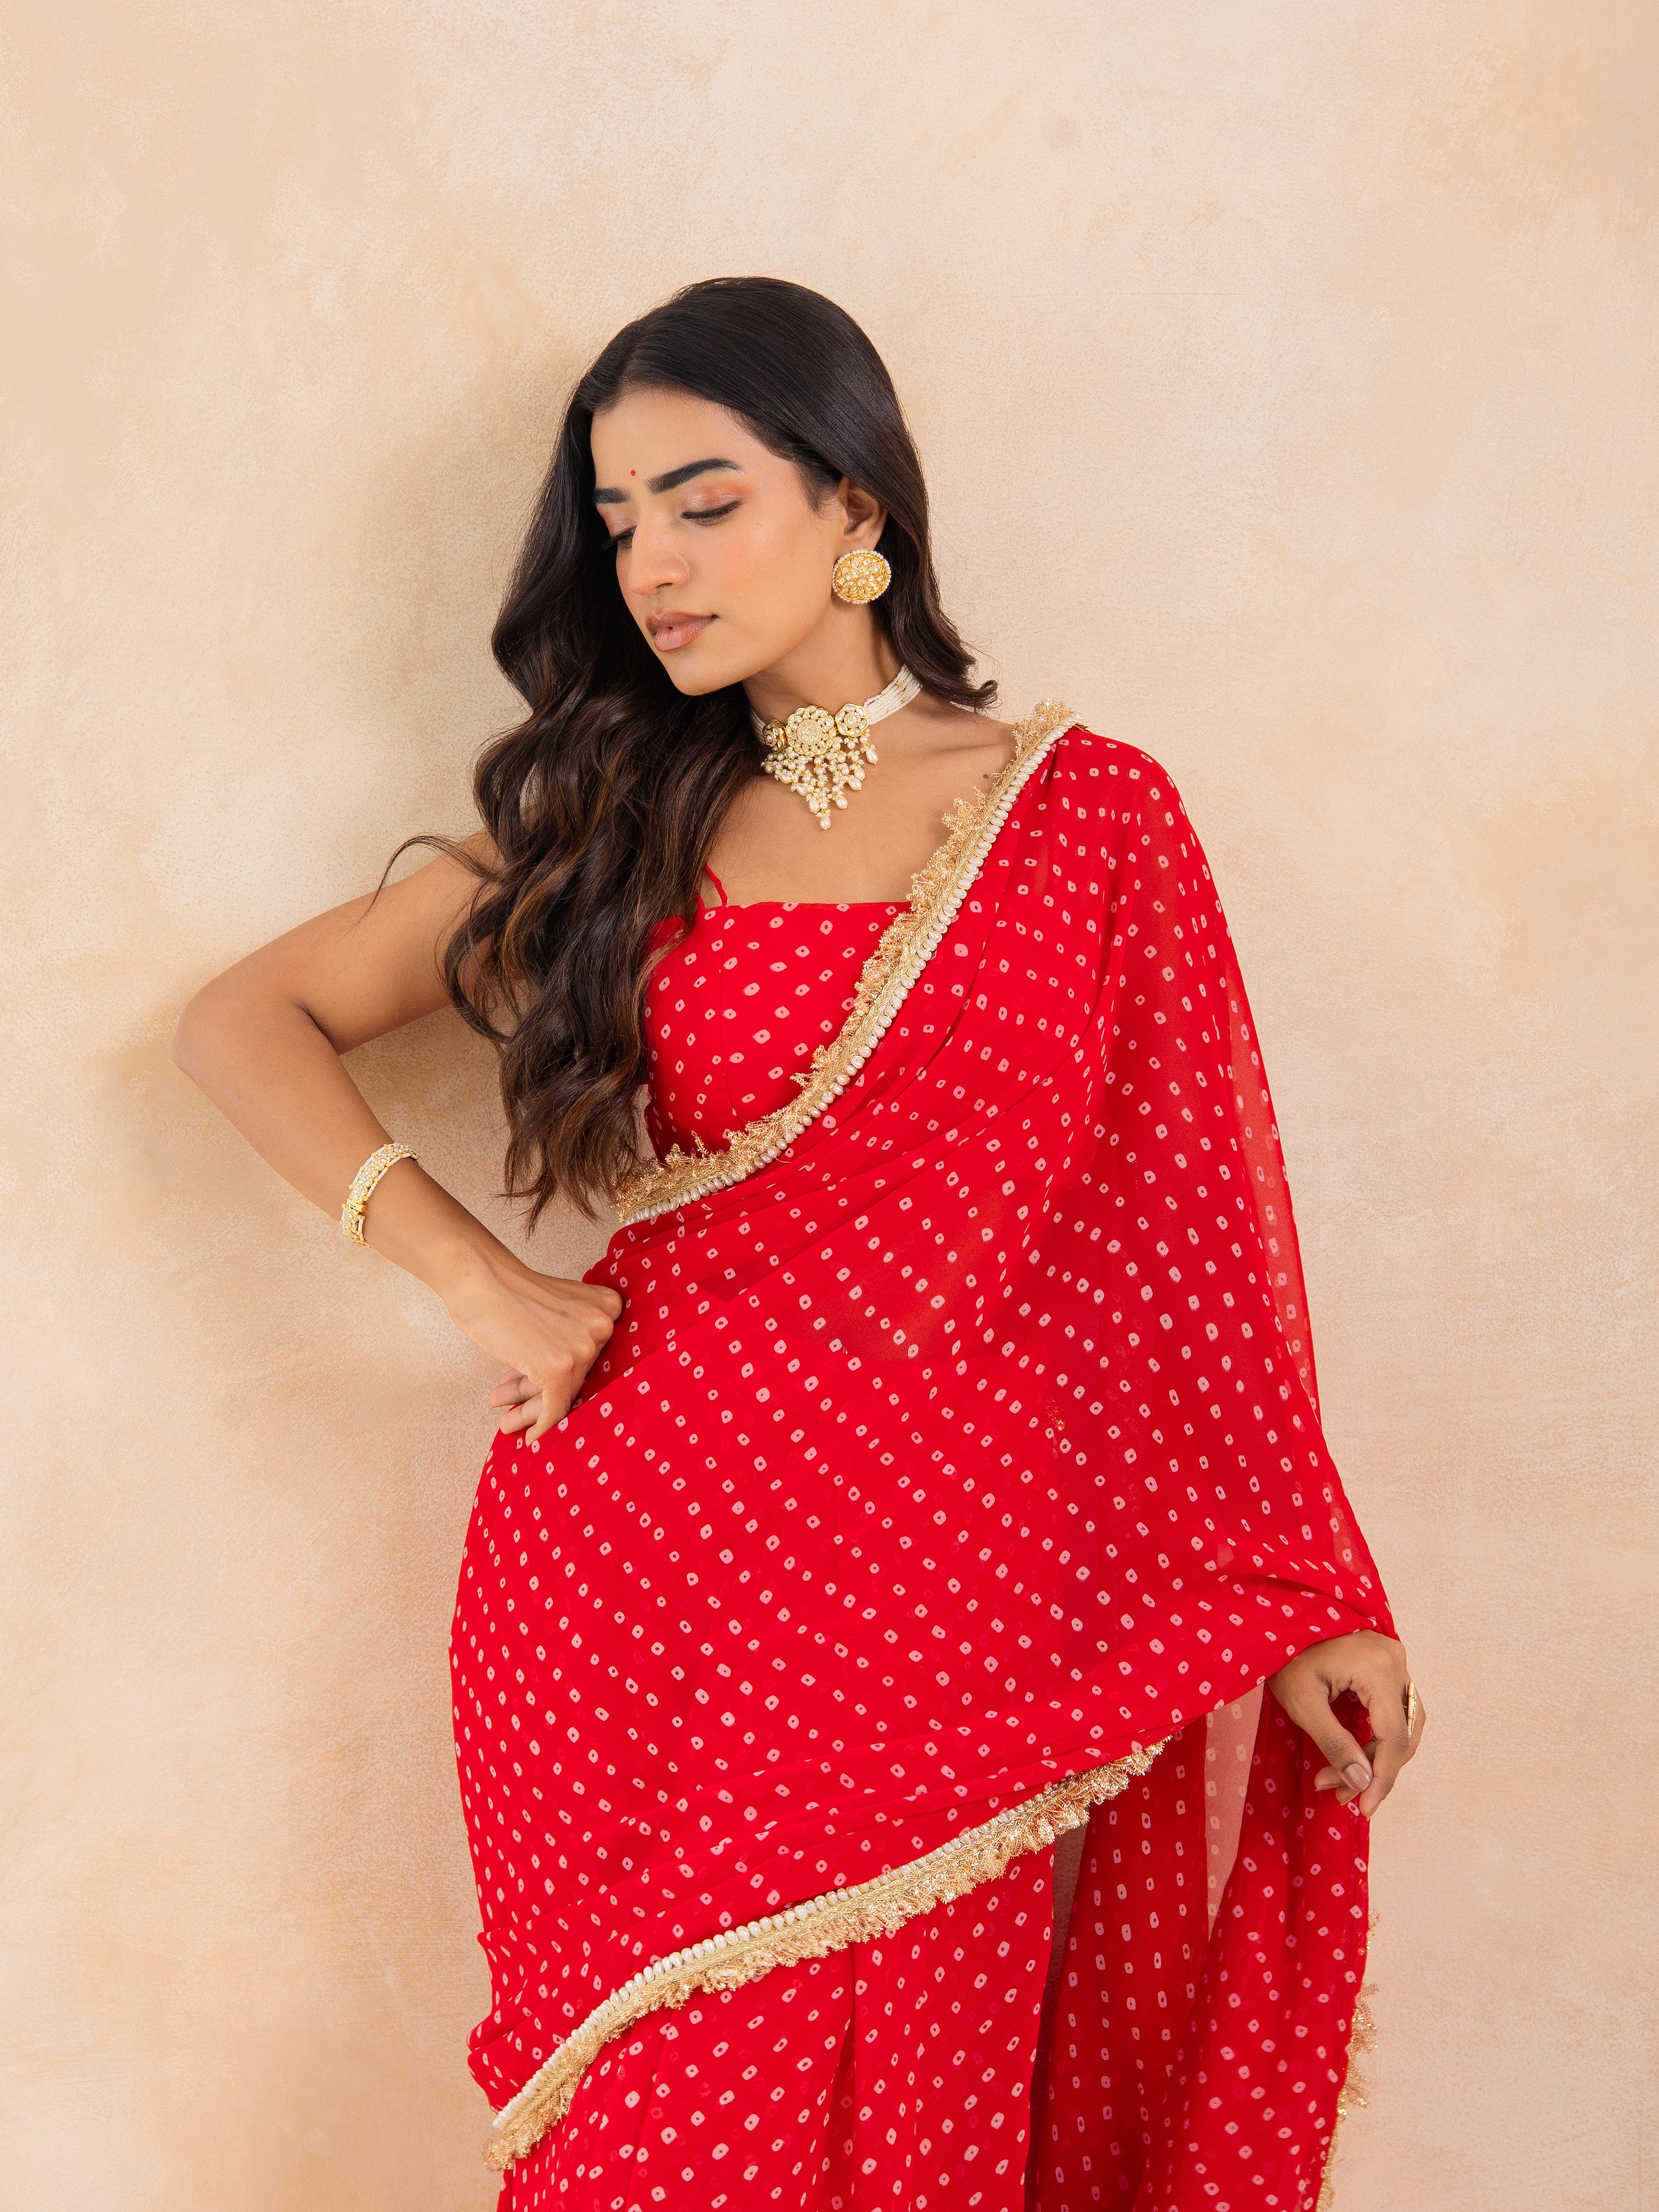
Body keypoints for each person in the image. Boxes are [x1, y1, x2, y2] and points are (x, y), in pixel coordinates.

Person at [174, 275, 1423, 2211]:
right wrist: (477, 1277)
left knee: (918, 2125)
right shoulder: (612, 822)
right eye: (617, 526)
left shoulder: (1088, 817)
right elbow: (242, 1021)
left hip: (959, 1612)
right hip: (643, 1584)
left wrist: (1310, 1577)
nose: (653, 566)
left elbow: (1191, 1229)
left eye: (704, 501)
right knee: (664, 2141)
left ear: (856, 503)